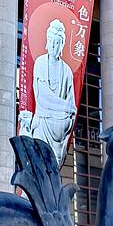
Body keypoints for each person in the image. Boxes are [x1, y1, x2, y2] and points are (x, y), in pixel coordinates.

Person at [21, 20, 77, 166]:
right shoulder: (40, 63)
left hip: (59, 126)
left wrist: (67, 110)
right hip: (43, 121)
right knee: (39, 163)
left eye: (57, 42)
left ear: (62, 45)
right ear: (47, 41)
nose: (53, 45)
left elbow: (72, 105)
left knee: (53, 167)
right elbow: (43, 97)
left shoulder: (66, 71)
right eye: (51, 41)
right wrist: (65, 107)